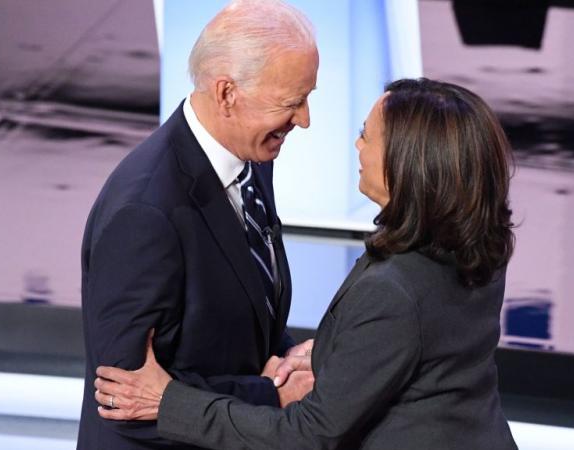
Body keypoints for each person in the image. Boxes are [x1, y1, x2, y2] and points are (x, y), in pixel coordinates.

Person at [93, 78, 519, 449]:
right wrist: (338, 353)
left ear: (409, 165)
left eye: (366, 136)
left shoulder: (391, 292)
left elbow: (308, 436)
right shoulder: (473, 240)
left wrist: (167, 401)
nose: (357, 145)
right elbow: (426, 344)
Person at [77, 1, 319, 448]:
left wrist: (289, 358)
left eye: (308, 98)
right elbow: (123, 398)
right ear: (227, 93)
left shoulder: (250, 161)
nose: (305, 119)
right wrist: (269, 395)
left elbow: (243, 317)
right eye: (292, 102)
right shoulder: (144, 212)